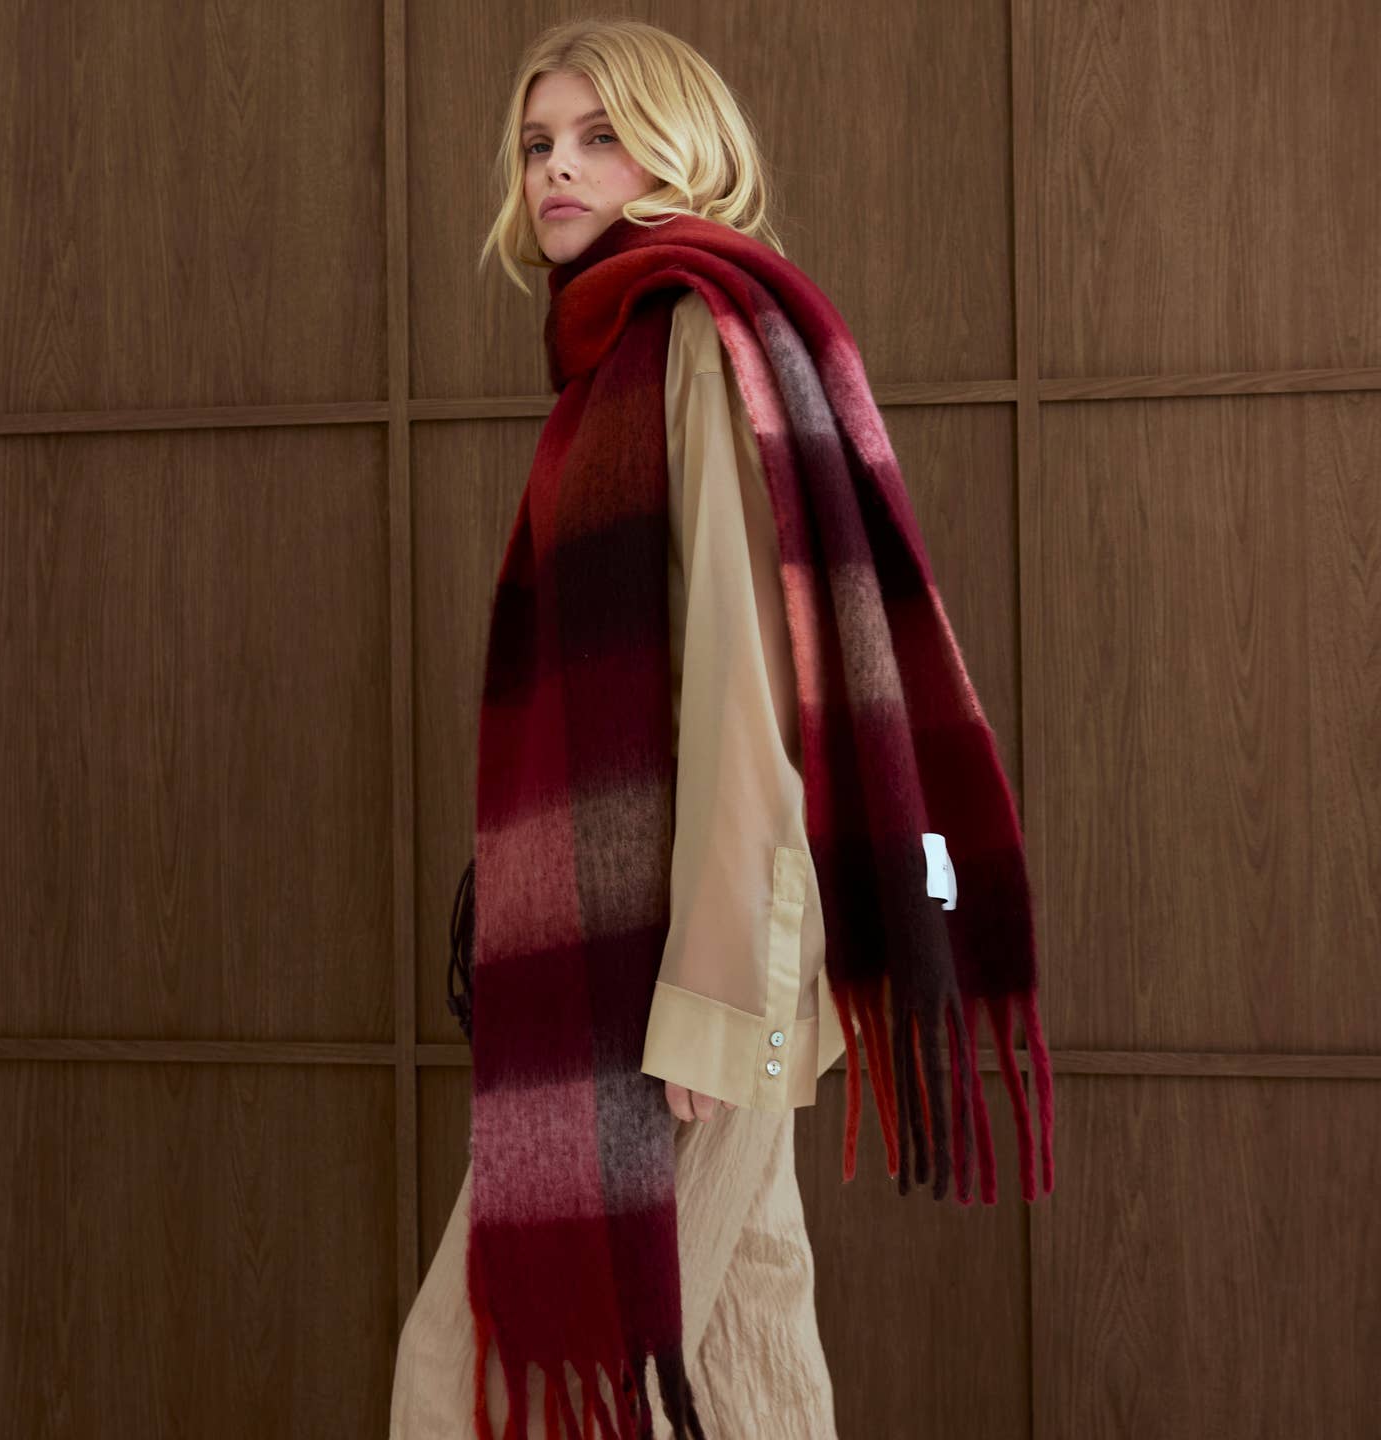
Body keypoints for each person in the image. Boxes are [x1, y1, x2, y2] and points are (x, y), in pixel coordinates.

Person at [393, 16, 1053, 1440]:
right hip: (712, 933)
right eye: (536, 143)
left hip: (696, 962)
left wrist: (708, 1002)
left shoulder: (687, 337)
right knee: (749, 1357)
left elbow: (740, 677)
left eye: (599, 135)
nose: (558, 169)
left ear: (681, 148)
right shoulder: (638, 346)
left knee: (480, 1376)